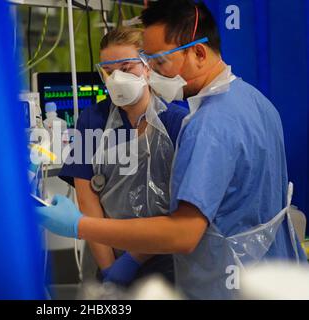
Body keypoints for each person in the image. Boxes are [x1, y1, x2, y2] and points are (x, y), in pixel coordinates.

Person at [38, 0, 306, 300]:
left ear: (199, 53)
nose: (151, 74)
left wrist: (81, 226)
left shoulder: (206, 125)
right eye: (148, 63)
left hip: (226, 282)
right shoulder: (255, 101)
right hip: (264, 277)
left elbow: (183, 233)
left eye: (160, 62)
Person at [59, 27, 188, 287]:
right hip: (109, 252)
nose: (117, 78)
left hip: (169, 259)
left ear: (148, 66)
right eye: (109, 70)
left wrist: (134, 258)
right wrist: (110, 269)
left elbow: (183, 208)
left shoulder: (178, 121)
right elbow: (88, 201)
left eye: (126, 68)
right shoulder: (92, 120)